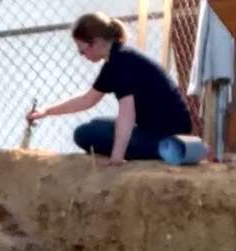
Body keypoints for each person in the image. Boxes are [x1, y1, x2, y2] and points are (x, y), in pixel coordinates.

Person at [26, 12, 192, 165]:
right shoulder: (118, 57)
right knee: (96, 124)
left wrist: (117, 157)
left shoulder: (120, 63)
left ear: (96, 42)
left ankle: (175, 149)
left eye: (82, 49)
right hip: (162, 128)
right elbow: (87, 99)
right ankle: (171, 146)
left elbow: (127, 113)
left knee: (85, 133)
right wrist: (46, 111)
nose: (81, 55)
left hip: (165, 134)